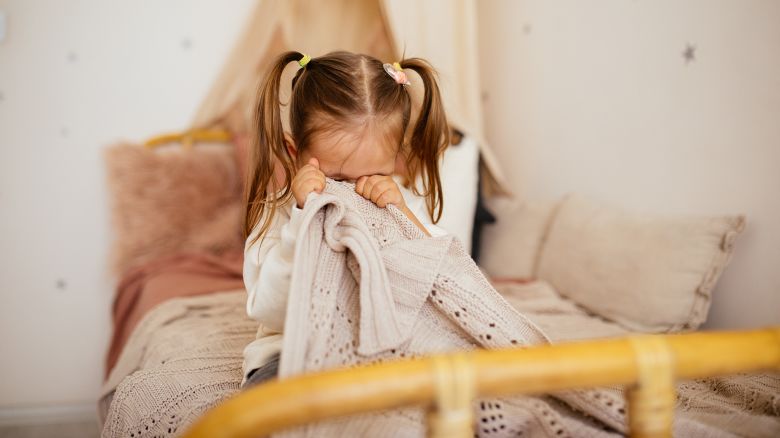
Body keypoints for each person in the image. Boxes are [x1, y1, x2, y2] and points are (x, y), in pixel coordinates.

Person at [240, 50, 451, 387]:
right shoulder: (279, 214)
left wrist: (405, 216)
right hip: (293, 353)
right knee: (276, 404)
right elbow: (270, 309)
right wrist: (300, 222)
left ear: (396, 158)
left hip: (387, 349)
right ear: (295, 154)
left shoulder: (398, 201)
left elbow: (444, 274)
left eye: (375, 173)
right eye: (338, 179)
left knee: (448, 387)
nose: (356, 190)